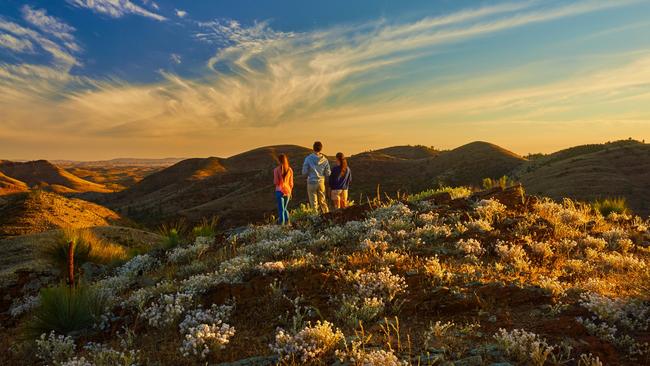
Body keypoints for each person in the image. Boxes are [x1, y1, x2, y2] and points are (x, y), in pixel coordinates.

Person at [302, 141, 331, 214]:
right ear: (321, 149)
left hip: (311, 182)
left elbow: (304, 172)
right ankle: (327, 215)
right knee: (323, 201)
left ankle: (315, 218)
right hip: (321, 182)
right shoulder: (325, 160)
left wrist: (309, 174)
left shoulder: (308, 159)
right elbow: (328, 173)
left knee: (313, 203)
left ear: (313, 148)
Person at [273, 154, 294, 225]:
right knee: (284, 209)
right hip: (287, 191)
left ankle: (281, 224)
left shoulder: (276, 170)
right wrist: (290, 192)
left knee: (281, 209)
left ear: (279, 161)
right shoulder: (290, 170)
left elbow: (276, 182)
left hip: (279, 191)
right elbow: (291, 183)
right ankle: (288, 223)